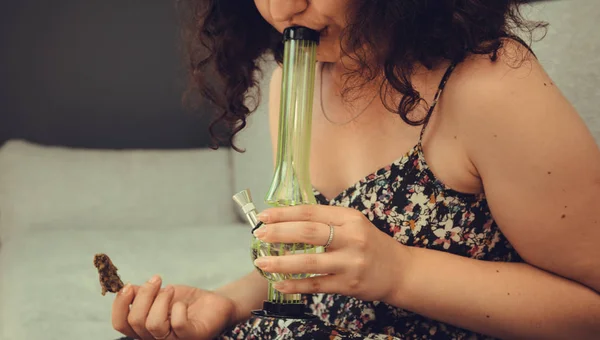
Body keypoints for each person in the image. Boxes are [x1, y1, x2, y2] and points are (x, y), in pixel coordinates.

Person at [111, 0, 600, 339]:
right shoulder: (293, 81)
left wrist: (402, 273)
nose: (283, 10)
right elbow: (321, 265)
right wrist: (226, 304)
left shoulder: (492, 84)